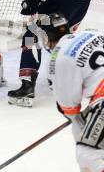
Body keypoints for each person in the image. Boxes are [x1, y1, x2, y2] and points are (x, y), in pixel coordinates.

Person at [38, 13, 104, 172]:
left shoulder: (57, 58)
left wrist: (83, 136)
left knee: (87, 154)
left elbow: (70, 110)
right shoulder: (92, 32)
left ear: (46, 39)